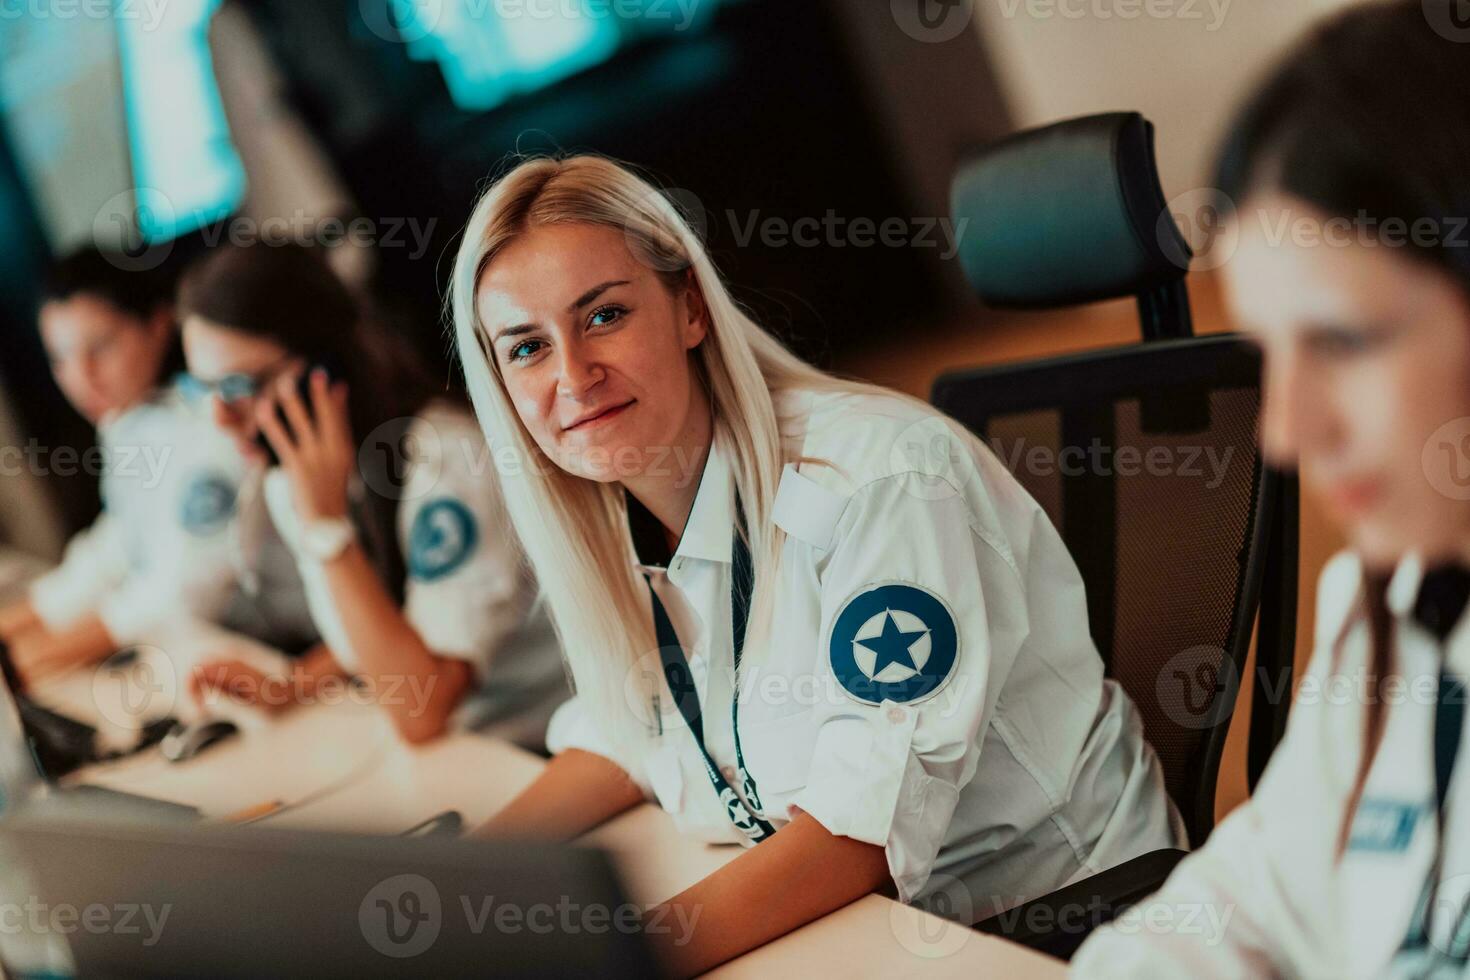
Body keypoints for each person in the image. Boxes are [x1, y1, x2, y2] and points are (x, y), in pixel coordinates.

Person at [447, 154, 1184, 975]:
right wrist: (455, 886)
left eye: (605, 315)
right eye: (525, 349)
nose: (572, 376)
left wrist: (605, 957)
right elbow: (624, 738)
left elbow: (855, 834)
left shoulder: (879, 481)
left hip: (1044, 927)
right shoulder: (613, 513)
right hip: (849, 931)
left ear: (690, 307)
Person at [1072, 3, 1470, 976]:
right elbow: (1260, 888)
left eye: (1342, 340)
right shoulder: (1393, 603)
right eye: (1269, 353)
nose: (1287, 433)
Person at [177, 243, 565, 746]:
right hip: (466, 748)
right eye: (203, 388)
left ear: (325, 368)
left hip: (541, 742)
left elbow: (420, 708)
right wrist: (291, 685)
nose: (220, 418)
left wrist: (325, 530)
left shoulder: (445, 460)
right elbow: (388, 622)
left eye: (239, 385)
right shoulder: (298, 472)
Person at [0, 248, 248, 684]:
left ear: (158, 324)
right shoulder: (128, 421)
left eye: (100, 347)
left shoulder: (211, 428)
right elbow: (115, 549)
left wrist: (22, 667)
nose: (82, 377)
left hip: (289, 656)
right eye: (61, 358)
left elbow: (178, 593)